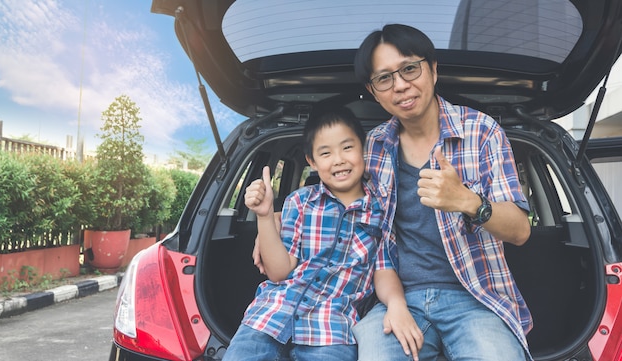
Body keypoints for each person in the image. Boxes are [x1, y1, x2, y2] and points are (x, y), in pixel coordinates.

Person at [350, 24, 533, 361]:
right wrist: (274, 222)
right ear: (373, 91)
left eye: (409, 68)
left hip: (476, 298)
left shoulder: (481, 131)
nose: (401, 85)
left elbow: (520, 231)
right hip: (400, 300)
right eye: (384, 78)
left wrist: (466, 200)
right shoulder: (374, 146)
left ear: (433, 69)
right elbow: (359, 225)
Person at [223, 110, 385, 361]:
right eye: (326, 153)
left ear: (363, 149)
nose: (339, 159)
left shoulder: (381, 209)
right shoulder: (299, 201)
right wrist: (265, 216)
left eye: (347, 148)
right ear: (312, 161)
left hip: (332, 328)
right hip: (271, 316)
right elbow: (279, 272)